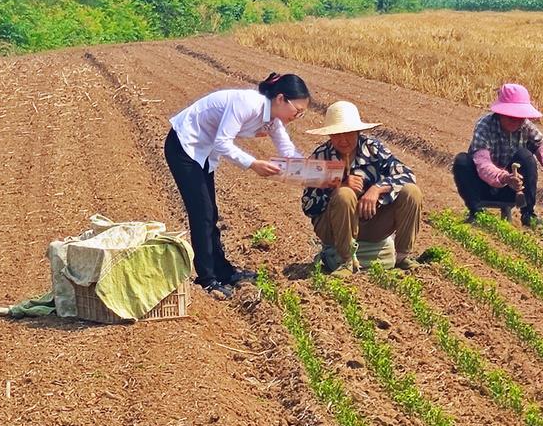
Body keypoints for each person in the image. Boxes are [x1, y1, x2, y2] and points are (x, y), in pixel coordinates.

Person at [166, 72, 310, 299]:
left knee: (210, 213)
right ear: (281, 99)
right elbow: (223, 142)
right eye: (297, 111)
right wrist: (253, 164)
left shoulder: (272, 119)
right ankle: (207, 279)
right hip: (184, 146)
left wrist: (313, 172)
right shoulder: (247, 103)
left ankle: (222, 271)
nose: (297, 116)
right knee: (201, 213)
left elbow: (288, 151)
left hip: (203, 152)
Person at [301, 101, 423, 272]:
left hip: (371, 221)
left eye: (348, 133)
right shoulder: (320, 157)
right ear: (329, 135)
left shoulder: (372, 149)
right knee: (344, 194)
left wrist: (377, 189)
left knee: (411, 192)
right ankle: (346, 260)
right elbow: (309, 206)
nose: (343, 140)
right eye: (337, 134)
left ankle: (402, 257)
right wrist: (338, 184)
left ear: (358, 131)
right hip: (334, 227)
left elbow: (406, 174)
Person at [451, 83, 543, 225]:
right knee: (462, 161)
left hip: (514, 191)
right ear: (500, 113)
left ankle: (528, 214)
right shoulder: (484, 126)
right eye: (511, 116)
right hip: (482, 186)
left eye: (520, 117)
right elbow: (482, 163)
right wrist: (505, 177)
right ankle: (476, 213)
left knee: (526, 156)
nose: (516, 120)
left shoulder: (526, 127)